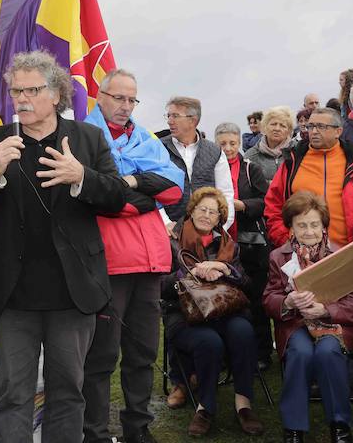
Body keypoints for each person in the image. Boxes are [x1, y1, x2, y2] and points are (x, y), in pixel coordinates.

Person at [0, 51, 126, 441]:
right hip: (12, 295)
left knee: (67, 393)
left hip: (73, 293)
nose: (22, 99)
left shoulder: (87, 138)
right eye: (16, 91)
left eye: (32, 89)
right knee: (13, 396)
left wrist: (81, 176)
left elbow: (116, 198)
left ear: (56, 94)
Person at [264, 106, 353, 395]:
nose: (312, 131)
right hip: (303, 258)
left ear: (338, 131)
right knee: (305, 314)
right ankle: (312, 375)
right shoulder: (293, 161)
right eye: (310, 126)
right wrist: (284, 240)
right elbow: (274, 205)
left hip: (350, 255)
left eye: (321, 127)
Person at [82, 69, 183, 443]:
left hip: (151, 259)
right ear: (100, 96)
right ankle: (93, 433)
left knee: (142, 353)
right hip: (108, 262)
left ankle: (138, 430)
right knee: (101, 358)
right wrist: (143, 196)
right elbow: (96, 197)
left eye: (132, 99)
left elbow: (176, 189)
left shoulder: (146, 138)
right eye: (118, 97)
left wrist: (133, 184)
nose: (125, 106)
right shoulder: (81, 136)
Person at [263, 191, 353, 443]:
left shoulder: (341, 254)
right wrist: (287, 301)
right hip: (295, 324)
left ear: (323, 226)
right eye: (301, 225)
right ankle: (294, 428)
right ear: (291, 227)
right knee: (300, 353)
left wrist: (326, 311)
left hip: (336, 324)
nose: (308, 231)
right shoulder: (279, 256)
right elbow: (269, 298)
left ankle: (340, 425)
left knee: (327, 352)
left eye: (314, 225)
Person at [161, 187, 264, 438]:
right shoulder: (172, 241)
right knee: (209, 341)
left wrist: (224, 269)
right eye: (202, 209)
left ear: (220, 218)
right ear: (192, 211)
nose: (207, 215)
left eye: (213, 212)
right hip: (185, 316)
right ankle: (205, 407)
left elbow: (248, 286)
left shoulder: (229, 245)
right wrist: (189, 275)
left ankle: (244, 404)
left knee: (242, 330)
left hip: (224, 311)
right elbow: (160, 286)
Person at [214, 122, 273, 369]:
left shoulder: (251, 168)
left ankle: (261, 353)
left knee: (256, 300)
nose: (228, 148)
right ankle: (229, 354)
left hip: (251, 246)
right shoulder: (211, 169)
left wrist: (243, 206)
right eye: (223, 144)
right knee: (227, 301)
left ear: (239, 143)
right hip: (220, 246)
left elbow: (266, 201)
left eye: (232, 143)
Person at [160, 96, 235, 233]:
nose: (170, 121)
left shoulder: (215, 151)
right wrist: (165, 223)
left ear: (193, 120)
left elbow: (225, 194)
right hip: (167, 233)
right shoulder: (157, 147)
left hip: (207, 234)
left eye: (175, 116)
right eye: (169, 115)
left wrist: (220, 228)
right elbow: (150, 192)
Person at [245, 106, 294, 184]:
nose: (277, 128)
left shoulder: (297, 151)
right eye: (273, 124)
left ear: (289, 131)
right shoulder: (251, 156)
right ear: (265, 127)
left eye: (283, 126)